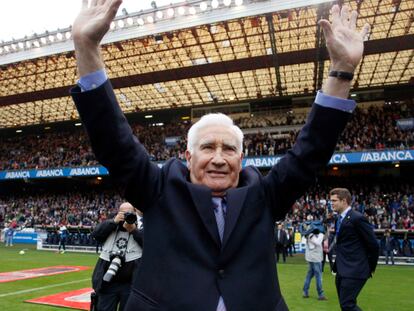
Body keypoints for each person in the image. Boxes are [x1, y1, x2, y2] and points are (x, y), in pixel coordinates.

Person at [71, 1, 370, 309]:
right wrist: (86, 46)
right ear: (188, 156)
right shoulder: (159, 189)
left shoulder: (264, 196)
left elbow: (311, 151)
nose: (218, 157)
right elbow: (113, 142)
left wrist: (342, 72)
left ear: (241, 160)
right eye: (207, 147)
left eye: (229, 149)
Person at [330, 188, 379, 311]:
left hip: (355, 270)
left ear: (344, 201)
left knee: (348, 305)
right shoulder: (338, 219)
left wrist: (371, 267)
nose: (331, 203)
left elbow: (373, 244)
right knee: (344, 305)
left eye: (334, 200)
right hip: (342, 270)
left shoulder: (357, 218)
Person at [91, 202, 143, 311]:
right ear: (118, 213)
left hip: (130, 284)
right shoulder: (110, 225)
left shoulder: (141, 226)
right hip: (107, 283)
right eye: (123, 213)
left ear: (134, 213)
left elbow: (149, 244)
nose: (126, 216)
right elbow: (96, 235)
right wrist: (113, 222)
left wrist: (133, 230)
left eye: (129, 213)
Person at [302, 228, 327, 301]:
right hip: (316, 259)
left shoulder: (307, 236)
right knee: (318, 276)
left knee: (309, 275)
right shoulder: (314, 236)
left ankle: (305, 292)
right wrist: (322, 235)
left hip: (310, 258)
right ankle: (320, 294)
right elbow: (318, 243)